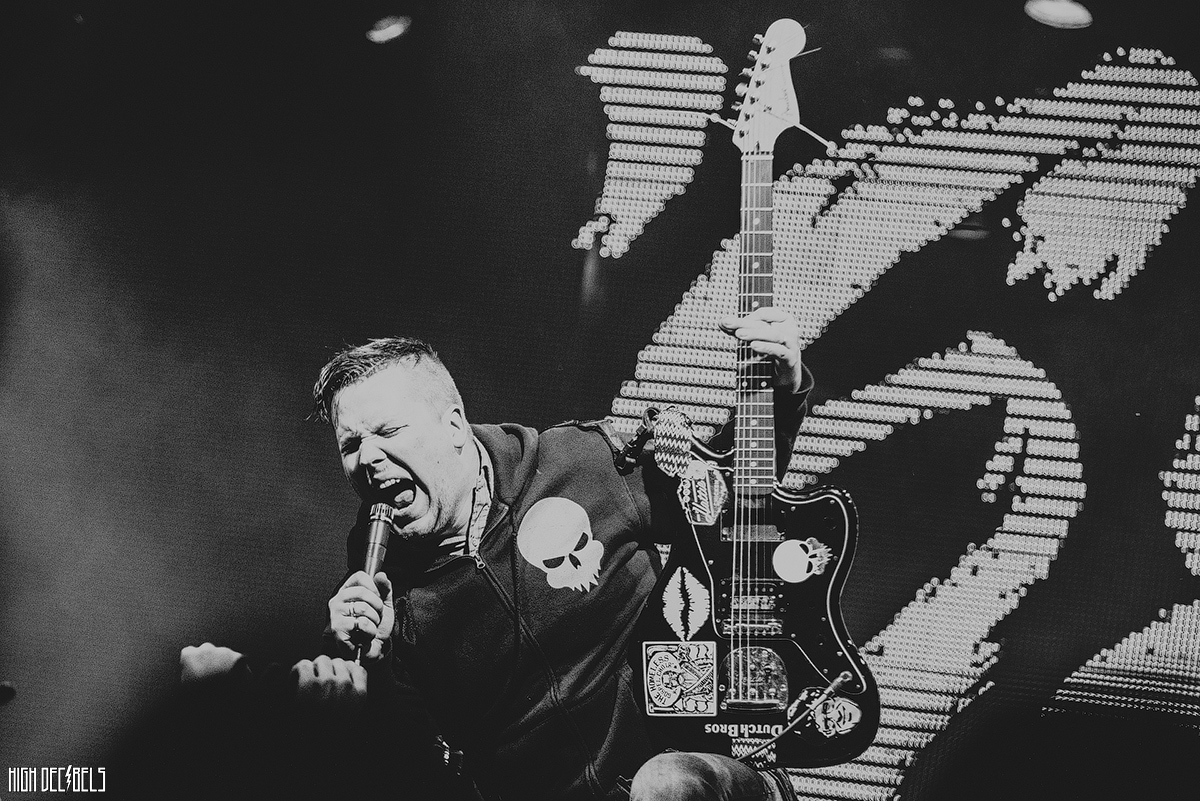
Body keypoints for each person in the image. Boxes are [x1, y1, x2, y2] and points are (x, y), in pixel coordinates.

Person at [312, 306, 812, 801]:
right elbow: (414, 763)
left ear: (455, 426)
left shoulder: (578, 462)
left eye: (389, 431)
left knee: (666, 785)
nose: (368, 458)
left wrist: (778, 395)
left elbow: (728, 503)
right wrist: (375, 669)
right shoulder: (377, 587)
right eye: (350, 445)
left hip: (691, 765)